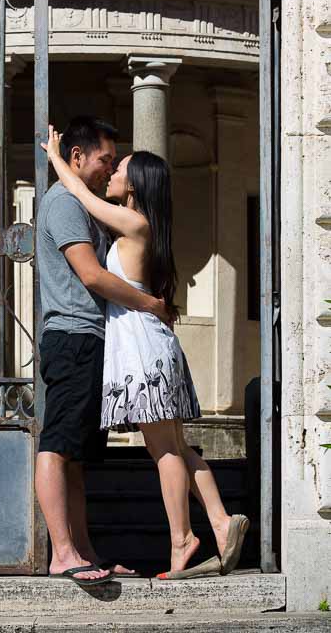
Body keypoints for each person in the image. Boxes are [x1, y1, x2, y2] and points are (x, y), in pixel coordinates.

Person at [42, 126, 250, 579]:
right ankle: (218, 520)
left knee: (164, 452)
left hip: (142, 345)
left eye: (119, 168)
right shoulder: (137, 223)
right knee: (176, 445)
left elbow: (81, 195)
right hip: (150, 343)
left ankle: (183, 540)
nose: (113, 171)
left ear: (134, 185)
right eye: (110, 162)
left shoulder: (133, 223)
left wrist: (57, 160)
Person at [34, 116, 174, 587]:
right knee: (57, 446)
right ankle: (62, 553)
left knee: (78, 455)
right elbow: (92, 276)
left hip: (91, 340)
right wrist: (151, 304)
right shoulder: (63, 205)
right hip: (73, 337)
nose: (110, 168)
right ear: (78, 157)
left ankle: (85, 550)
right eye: (105, 159)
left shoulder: (84, 202)